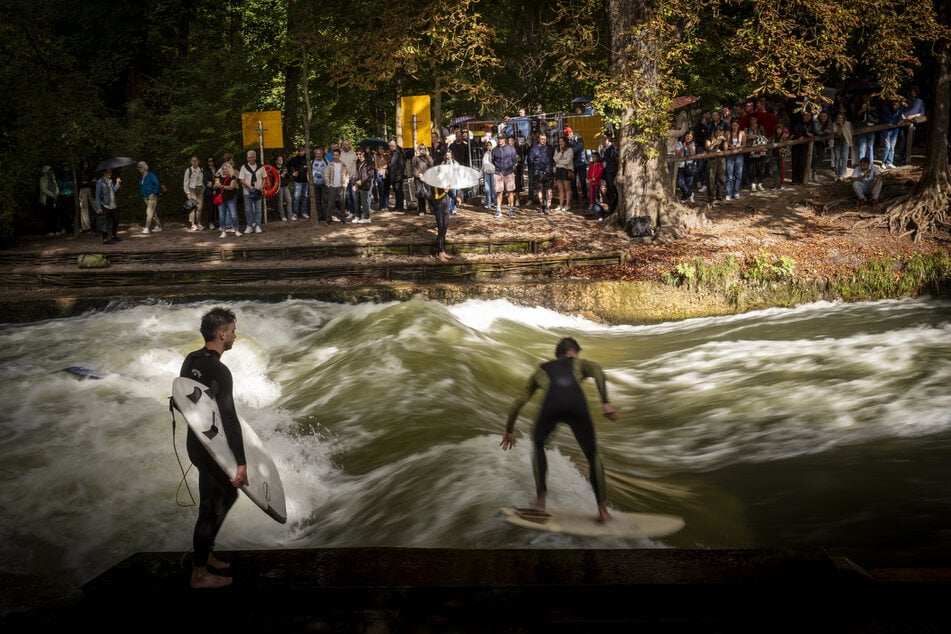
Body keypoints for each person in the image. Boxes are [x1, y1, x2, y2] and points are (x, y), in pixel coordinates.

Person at [500, 337, 618, 523]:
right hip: (577, 405)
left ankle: (540, 501)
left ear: (558, 354)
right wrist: (605, 402)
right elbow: (597, 370)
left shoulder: (542, 369)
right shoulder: (578, 363)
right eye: (576, 353)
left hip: (551, 407)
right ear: (572, 352)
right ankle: (602, 511)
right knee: (592, 454)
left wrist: (509, 430)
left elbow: (519, 402)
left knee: (538, 444)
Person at [179, 307, 247, 590]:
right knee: (209, 509)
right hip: (211, 449)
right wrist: (241, 462)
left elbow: (182, 398)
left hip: (197, 443)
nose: (234, 335)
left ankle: (205, 553)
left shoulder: (191, 359)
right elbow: (229, 418)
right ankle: (199, 575)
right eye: (232, 330)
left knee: (228, 495)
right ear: (222, 334)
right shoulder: (220, 370)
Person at [492, 134, 518, 217]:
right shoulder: (495, 150)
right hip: (498, 172)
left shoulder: (511, 149)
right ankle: (498, 210)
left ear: (504, 139)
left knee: (510, 191)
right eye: (498, 138)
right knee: (499, 192)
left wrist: (509, 166)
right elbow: (493, 160)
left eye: (501, 138)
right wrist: (498, 169)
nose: (500, 140)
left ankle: (511, 209)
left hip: (508, 172)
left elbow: (514, 160)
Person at [528, 132, 555, 214]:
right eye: (541, 139)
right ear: (538, 139)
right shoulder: (533, 149)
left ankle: (548, 206)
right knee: (539, 190)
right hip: (538, 172)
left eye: (544, 139)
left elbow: (554, 159)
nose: (543, 140)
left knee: (549, 189)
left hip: (548, 171)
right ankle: (542, 205)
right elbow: (530, 161)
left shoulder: (550, 148)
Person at [94, 167, 121, 244]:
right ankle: (105, 239)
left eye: (110, 172)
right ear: (104, 173)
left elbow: (113, 191)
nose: (110, 174)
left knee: (116, 220)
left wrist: (117, 183)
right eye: (108, 172)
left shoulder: (110, 181)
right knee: (106, 222)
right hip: (105, 205)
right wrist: (99, 208)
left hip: (113, 205)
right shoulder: (100, 182)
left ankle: (113, 235)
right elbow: (97, 196)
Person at [323, 147, 350, 223]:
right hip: (332, 187)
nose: (335, 156)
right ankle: (328, 219)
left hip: (341, 187)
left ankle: (343, 219)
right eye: (334, 155)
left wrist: (345, 184)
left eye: (337, 155)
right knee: (330, 203)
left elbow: (347, 175)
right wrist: (328, 185)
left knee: (342, 203)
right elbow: (326, 175)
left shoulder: (343, 165)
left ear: (339, 155)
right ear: (333, 156)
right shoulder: (330, 165)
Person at [137, 161, 162, 234]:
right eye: (138, 167)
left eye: (141, 167)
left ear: (145, 167)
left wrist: (154, 192)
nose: (139, 168)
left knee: (149, 211)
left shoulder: (150, 174)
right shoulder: (141, 176)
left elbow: (157, 183)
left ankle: (147, 228)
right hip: (144, 196)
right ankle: (159, 226)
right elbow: (141, 185)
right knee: (153, 212)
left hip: (151, 196)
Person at [745, 114, 769, 191]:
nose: (753, 121)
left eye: (754, 119)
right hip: (750, 149)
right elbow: (744, 138)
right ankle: (753, 184)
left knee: (760, 167)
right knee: (751, 168)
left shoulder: (760, 127)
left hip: (760, 149)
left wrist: (758, 136)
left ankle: (760, 183)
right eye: (751, 119)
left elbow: (765, 136)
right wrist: (750, 137)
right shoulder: (747, 129)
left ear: (756, 120)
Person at [704, 125, 728, 202]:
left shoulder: (723, 139)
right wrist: (715, 143)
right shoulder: (709, 139)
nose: (718, 132)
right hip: (711, 160)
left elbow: (726, 149)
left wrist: (725, 140)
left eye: (720, 131)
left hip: (721, 159)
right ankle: (711, 197)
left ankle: (719, 195)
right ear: (713, 132)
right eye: (716, 131)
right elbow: (708, 148)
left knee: (721, 178)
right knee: (710, 179)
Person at [217, 163, 241, 238]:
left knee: (233, 215)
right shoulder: (218, 177)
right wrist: (215, 185)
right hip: (221, 199)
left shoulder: (232, 177)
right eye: (223, 169)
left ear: (229, 169)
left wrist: (222, 186)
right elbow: (215, 185)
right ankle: (223, 232)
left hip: (231, 198)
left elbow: (231, 187)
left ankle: (236, 230)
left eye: (226, 169)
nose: (224, 170)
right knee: (221, 216)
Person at [880, 98, 904, 169]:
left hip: (895, 131)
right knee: (887, 147)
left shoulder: (899, 110)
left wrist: (895, 121)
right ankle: (883, 162)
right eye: (894, 104)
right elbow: (886, 120)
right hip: (886, 131)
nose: (894, 106)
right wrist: (896, 121)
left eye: (896, 105)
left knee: (892, 147)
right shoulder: (886, 109)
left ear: (899, 105)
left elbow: (899, 119)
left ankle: (890, 162)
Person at [352, 148, 375, 223]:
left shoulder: (368, 162)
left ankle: (367, 217)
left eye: (360, 154)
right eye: (357, 154)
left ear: (363, 153)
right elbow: (357, 174)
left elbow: (369, 174)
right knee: (357, 201)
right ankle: (358, 216)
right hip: (358, 184)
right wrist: (355, 183)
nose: (358, 155)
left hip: (365, 184)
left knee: (364, 201)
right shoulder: (358, 162)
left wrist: (362, 181)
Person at [566, 127, 587, 205]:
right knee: (572, 182)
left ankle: (585, 198)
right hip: (572, 164)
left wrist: (571, 152)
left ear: (571, 132)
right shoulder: (566, 140)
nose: (567, 136)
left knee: (582, 181)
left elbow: (581, 146)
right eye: (566, 135)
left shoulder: (578, 137)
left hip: (581, 163)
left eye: (568, 134)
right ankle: (575, 198)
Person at [724, 120, 746, 200]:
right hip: (730, 155)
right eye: (733, 125)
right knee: (729, 175)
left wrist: (737, 148)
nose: (734, 126)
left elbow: (744, 145)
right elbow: (725, 143)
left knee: (738, 174)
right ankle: (729, 193)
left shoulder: (742, 133)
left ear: (738, 125)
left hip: (739, 155)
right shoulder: (727, 133)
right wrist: (730, 146)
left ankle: (736, 191)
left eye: (736, 125)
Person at [183, 155, 206, 231]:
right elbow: (186, 182)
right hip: (192, 189)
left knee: (200, 207)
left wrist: (203, 188)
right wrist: (187, 192)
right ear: (191, 162)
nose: (194, 162)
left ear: (198, 161)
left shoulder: (201, 170)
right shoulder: (189, 170)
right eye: (193, 161)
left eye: (196, 160)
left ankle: (199, 223)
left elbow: (203, 180)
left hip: (200, 189)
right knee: (192, 207)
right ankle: (193, 224)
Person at [288, 145, 310, 220]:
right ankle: (295, 213)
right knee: (296, 197)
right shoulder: (294, 159)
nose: (301, 152)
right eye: (299, 151)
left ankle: (304, 212)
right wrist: (292, 172)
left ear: (304, 150)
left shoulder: (308, 158)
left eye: (302, 150)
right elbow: (287, 166)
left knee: (305, 197)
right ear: (298, 151)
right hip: (297, 181)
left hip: (306, 181)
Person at [675, 131, 698, 203]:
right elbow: (678, 154)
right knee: (680, 183)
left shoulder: (693, 144)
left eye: (691, 137)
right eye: (688, 136)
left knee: (689, 183)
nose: (689, 137)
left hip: (690, 166)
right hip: (681, 166)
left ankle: (683, 198)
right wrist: (683, 147)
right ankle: (690, 194)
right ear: (685, 136)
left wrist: (690, 146)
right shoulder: (679, 143)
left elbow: (693, 154)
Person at [411, 144, 434, 216]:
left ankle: (432, 209)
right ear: (418, 150)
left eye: (424, 148)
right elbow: (413, 168)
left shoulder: (429, 158)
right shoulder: (415, 158)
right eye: (420, 149)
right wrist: (419, 175)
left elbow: (432, 167)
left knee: (429, 194)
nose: (422, 150)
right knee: (420, 194)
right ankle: (422, 210)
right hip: (418, 178)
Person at [431, 185, 453, 262]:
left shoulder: (443, 182)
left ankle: (443, 251)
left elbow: (449, 192)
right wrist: (445, 192)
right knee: (441, 231)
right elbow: (436, 198)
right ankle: (440, 253)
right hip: (439, 209)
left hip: (445, 207)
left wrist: (456, 197)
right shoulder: (434, 184)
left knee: (444, 230)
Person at [553, 135, 574, 211]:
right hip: (559, 170)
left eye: (561, 141)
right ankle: (561, 204)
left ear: (565, 142)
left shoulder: (569, 150)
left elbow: (568, 161)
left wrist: (560, 161)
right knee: (560, 189)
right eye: (559, 142)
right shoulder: (557, 150)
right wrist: (561, 153)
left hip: (566, 170)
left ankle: (567, 204)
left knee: (567, 188)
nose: (560, 143)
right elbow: (555, 159)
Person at [830, 112, 854, 181]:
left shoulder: (848, 124)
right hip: (837, 143)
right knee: (837, 159)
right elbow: (837, 133)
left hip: (845, 143)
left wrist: (851, 141)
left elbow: (851, 132)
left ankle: (842, 174)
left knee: (844, 159)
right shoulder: (834, 124)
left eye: (841, 118)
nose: (839, 119)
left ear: (843, 118)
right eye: (838, 118)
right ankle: (837, 174)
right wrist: (840, 126)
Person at [38, 165, 60, 235]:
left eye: (51, 170)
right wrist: (52, 195)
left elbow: (57, 187)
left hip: (54, 198)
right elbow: (43, 189)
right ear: (45, 171)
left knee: (55, 214)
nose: (50, 171)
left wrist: (56, 194)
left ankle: (55, 230)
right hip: (47, 199)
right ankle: (48, 231)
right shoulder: (42, 179)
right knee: (48, 214)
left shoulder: (53, 178)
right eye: (49, 170)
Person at [272, 154, 293, 221]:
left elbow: (288, 176)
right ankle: (282, 216)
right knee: (280, 201)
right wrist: (279, 176)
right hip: (278, 186)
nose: (281, 161)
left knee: (289, 200)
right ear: (276, 161)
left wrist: (286, 175)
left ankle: (290, 216)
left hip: (285, 185)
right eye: (279, 160)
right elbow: (272, 177)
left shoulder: (284, 167)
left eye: (281, 159)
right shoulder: (274, 168)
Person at [310, 147, 327, 223]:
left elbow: (330, 172)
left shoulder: (326, 161)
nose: (318, 155)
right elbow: (308, 172)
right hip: (315, 184)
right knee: (317, 201)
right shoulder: (312, 162)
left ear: (322, 154)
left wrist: (328, 182)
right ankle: (319, 215)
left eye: (320, 153)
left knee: (324, 200)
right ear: (315, 154)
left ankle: (325, 215)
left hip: (324, 184)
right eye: (317, 153)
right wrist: (310, 182)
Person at [387, 140, 405, 211]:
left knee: (399, 191)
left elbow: (401, 165)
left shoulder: (398, 153)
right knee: (396, 191)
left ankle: (400, 207)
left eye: (390, 146)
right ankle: (397, 205)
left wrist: (399, 175)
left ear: (393, 146)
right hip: (393, 176)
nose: (389, 148)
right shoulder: (393, 153)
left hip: (398, 176)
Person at [481, 140, 495, 210]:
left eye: (490, 145)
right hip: (486, 172)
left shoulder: (495, 153)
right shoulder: (486, 153)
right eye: (488, 145)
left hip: (493, 172)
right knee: (487, 189)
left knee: (494, 188)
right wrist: (482, 171)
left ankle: (495, 202)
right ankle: (488, 203)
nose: (488, 146)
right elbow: (483, 163)